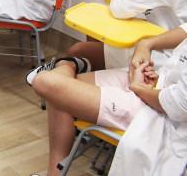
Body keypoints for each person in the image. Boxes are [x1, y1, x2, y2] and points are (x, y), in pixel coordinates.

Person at [29, 25, 187, 176]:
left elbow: (178, 104)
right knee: (59, 89)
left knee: (47, 83)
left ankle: (66, 63)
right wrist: (145, 44)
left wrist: (138, 88)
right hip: (159, 82)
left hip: (162, 114)